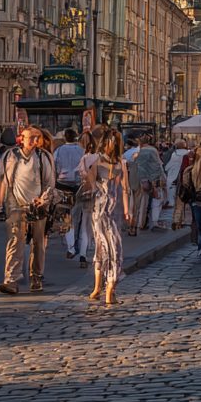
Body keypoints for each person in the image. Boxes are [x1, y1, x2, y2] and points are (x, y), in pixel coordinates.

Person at [0, 126, 57, 295]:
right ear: (21, 138)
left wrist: (43, 199)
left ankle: (36, 277)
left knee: (38, 243)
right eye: (31, 138)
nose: (34, 141)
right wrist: (0, 203)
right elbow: (3, 181)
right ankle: (11, 280)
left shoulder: (43, 157)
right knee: (15, 242)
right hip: (16, 205)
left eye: (37, 137)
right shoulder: (10, 156)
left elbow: (49, 182)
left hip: (38, 206)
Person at [83, 125, 130, 305]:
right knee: (106, 248)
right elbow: (91, 183)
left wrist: (127, 210)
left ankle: (107, 288)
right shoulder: (101, 162)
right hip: (102, 210)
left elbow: (124, 189)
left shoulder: (118, 163)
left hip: (110, 211)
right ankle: (101, 288)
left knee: (111, 248)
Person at [54, 127, 91, 267]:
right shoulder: (82, 150)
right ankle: (82, 253)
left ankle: (70, 247)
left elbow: (55, 165)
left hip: (63, 184)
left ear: (65, 137)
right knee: (82, 219)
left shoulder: (59, 150)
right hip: (79, 185)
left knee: (67, 217)